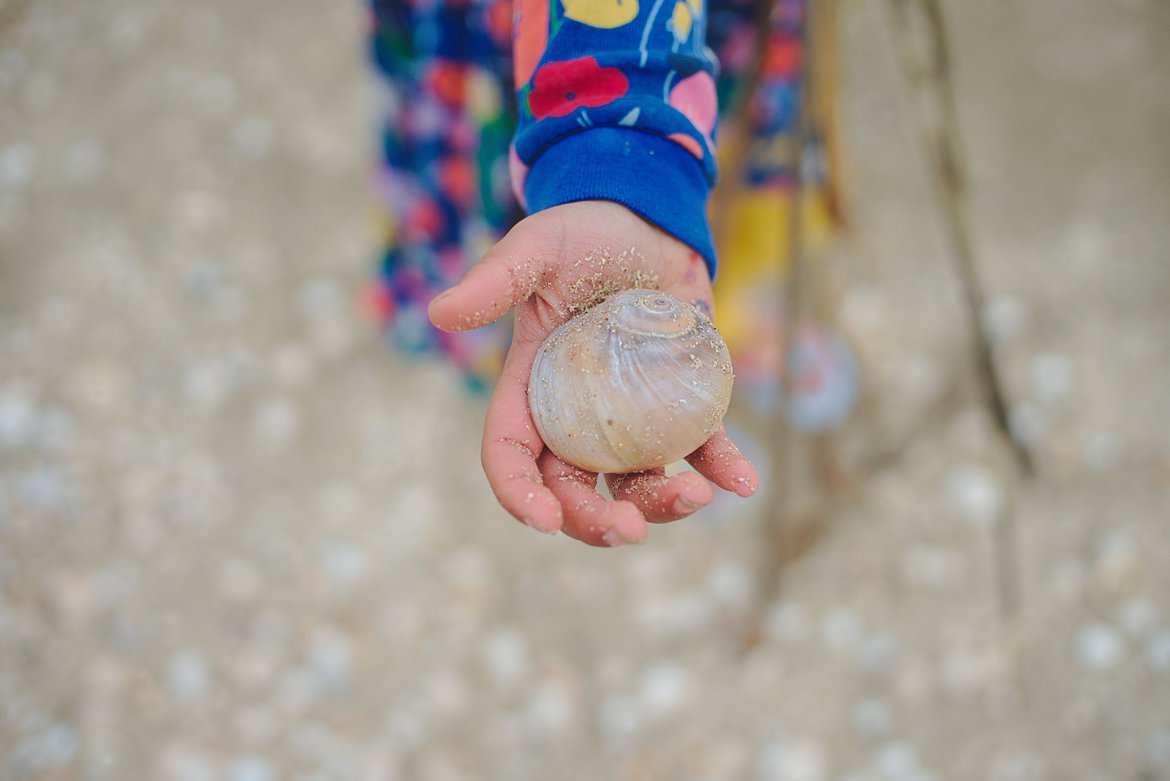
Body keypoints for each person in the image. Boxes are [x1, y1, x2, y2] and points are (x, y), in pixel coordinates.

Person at [369, 0, 848, 546]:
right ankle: (676, 366)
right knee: (530, 241)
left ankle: (729, 324)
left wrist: (640, 166)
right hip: (538, 41)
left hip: (718, 28)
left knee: (697, 215)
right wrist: (619, 154)